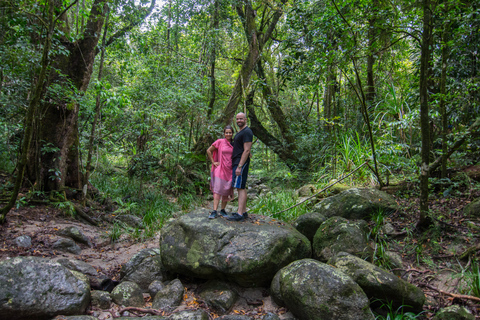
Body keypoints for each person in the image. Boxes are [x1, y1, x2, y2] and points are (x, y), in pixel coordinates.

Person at [228, 112, 253, 222]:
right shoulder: (241, 132)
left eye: (241, 119)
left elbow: (247, 150)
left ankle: (239, 214)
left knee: (240, 187)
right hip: (238, 161)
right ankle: (243, 211)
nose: (239, 121)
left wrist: (240, 166)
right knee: (240, 186)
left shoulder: (247, 131)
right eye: (237, 119)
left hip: (240, 162)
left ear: (245, 119)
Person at [206, 125, 234, 219]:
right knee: (217, 190)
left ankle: (222, 210)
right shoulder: (220, 142)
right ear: (224, 133)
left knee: (226, 189)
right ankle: (214, 211)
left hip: (230, 170)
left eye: (230, 132)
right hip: (220, 169)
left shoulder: (234, 144)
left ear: (232, 133)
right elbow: (209, 150)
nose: (228, 134)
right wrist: (213, 162)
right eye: (227, 132)